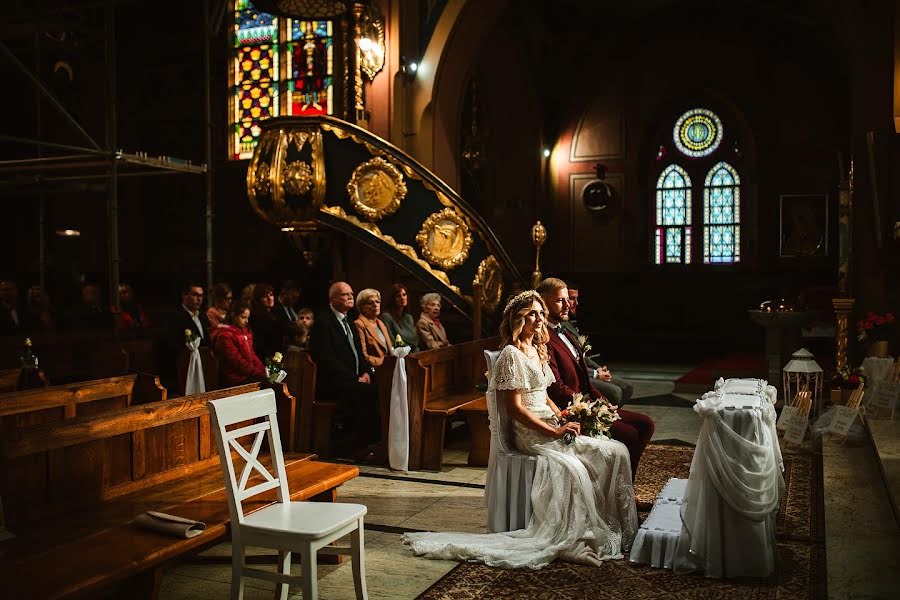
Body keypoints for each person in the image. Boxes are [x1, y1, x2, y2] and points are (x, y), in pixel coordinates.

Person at [404, 290, 637, 568]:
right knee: (573, 468)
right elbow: (515, 408)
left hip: (549, 422)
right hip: (531, 435)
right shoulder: (510, 355)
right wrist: (552, 432)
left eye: (540, 313)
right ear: (518, 319)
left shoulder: (538, 349)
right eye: (531, 314)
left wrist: (561, 415)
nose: (539, 319)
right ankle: (572, 538)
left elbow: (545, 395)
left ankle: (618, 528)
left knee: (617, 450)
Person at [537, 278, 653, 479]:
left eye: (567, 300)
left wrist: (603, 403)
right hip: (572, 409)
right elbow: (557, 389)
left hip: (590, 403)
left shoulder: (565, 331)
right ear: (543, 302)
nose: (568, 305)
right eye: (560, 301)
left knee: (646, 424)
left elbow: (584, 378)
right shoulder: (544, 338)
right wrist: (591, 407)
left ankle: (625, 480)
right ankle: (619, 485)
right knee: (630, 435)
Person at [309, 281, 380, 455]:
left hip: (353, 378)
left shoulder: (349, 320)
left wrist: (365, 371)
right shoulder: (323, 322)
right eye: (345, 294)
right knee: (366, 392)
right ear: (332, 299)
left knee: (381, 386)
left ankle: (377, 441)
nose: (350, 297)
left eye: (351, 294)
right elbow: (326, 359)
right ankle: (361, 446)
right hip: (333, 382)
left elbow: (359, 352)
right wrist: (354, 378)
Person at [561, 283, 633, 406]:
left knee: (627, 387)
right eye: (572, 299)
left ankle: (610, 418)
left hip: (585, 369)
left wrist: (598, 368)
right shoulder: (557, 326)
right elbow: (568, 361)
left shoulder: (568, 323)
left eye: (576, 299)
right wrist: (595, 374)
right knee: (615, 392)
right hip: (576, 375)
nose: (575, 303)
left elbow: (581, 355)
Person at [215, 303, 266, 387]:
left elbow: (252, 355)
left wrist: (263, 370)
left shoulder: (245, 332)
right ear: (233, 315)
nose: (247, 321)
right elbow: (236, 361)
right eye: (243, 317)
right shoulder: (225, 335)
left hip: (247, 374)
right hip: (234, 378)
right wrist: (257, 373)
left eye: (247, 318)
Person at [353, 288, 394, 369]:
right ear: (362, 307)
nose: (375, 305)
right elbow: (363, 355)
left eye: (377, 302)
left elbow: (390, 350)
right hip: (374, 369)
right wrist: (385, 362)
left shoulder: (381, 323)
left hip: (389, 368)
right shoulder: (359, 324)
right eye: (370, 303)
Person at [249, 283, 283, 362]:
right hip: (265, 359)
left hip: (276, 355)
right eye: (265, 296)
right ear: (258, 300)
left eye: (271, 295)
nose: (269, 298)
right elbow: (261, 345)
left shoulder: (275, 314)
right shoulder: (256, 318)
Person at [380, 283, 419, 352]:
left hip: (415, 352)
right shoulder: (386, 317)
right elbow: (393, 342)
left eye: (404, 295)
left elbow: (415, 340)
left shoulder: (408, 317)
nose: (402, 298)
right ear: (393, 299)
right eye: (398, 296)